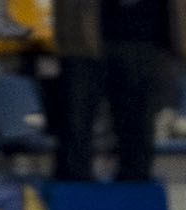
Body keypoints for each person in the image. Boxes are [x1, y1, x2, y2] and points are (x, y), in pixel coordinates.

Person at [54, 0, 177, 183]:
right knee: (76, 133)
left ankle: (134, 196)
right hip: (83, 34)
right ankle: (73, 194)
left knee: (137, 141)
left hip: (144, 34)